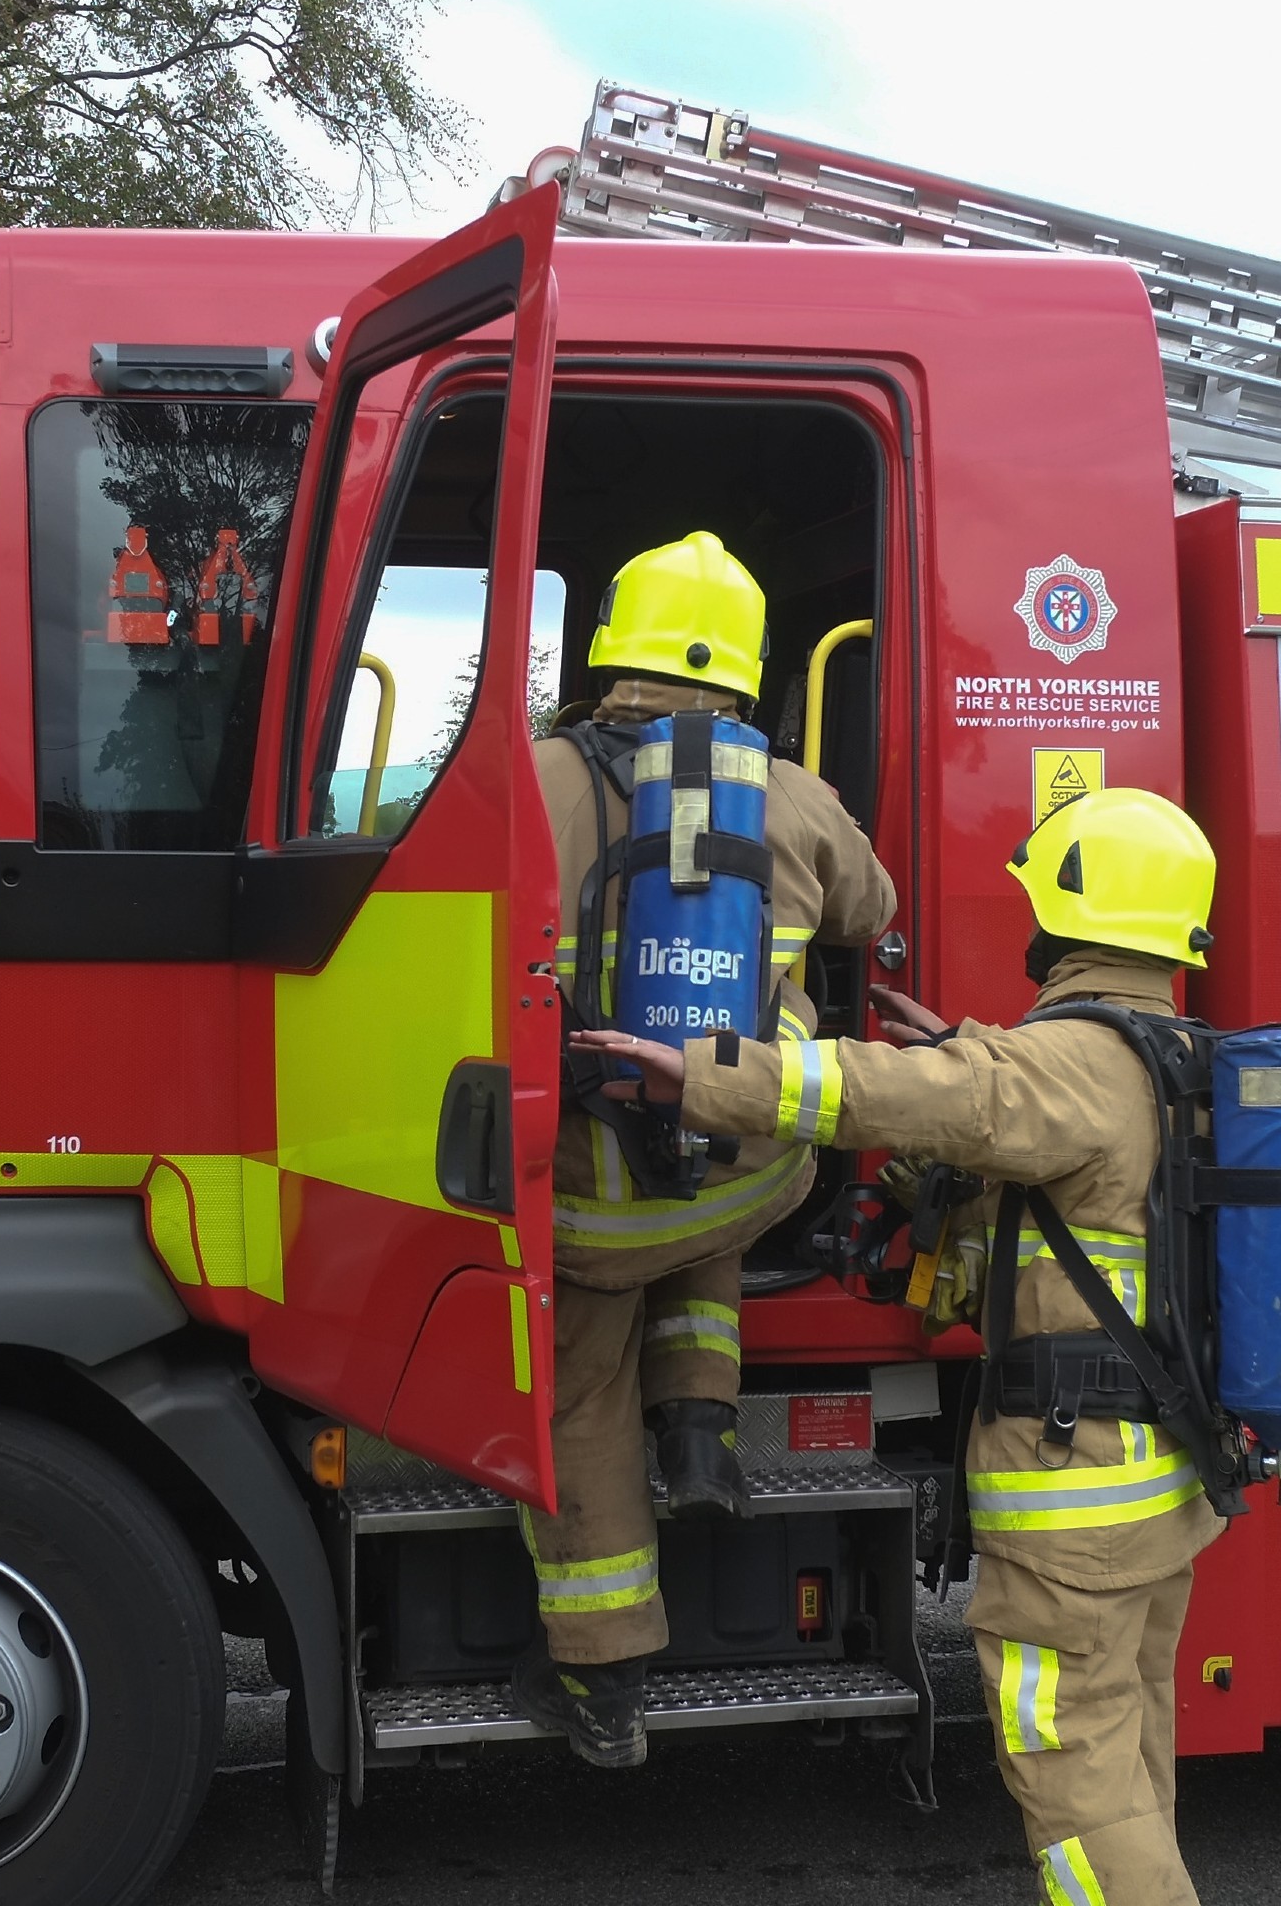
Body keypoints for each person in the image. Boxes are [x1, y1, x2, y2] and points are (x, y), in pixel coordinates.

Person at [572, 787, 1225, 1906]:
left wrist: (714, 1078)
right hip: (1158, 1489)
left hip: (1075, 1496)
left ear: (1068, 920)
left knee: (1073, 1782)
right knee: (1127, 1754)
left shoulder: (1068, 1064)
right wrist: (969, 1054)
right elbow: (1019, 1122)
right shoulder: (1170, 1052)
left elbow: (898, 1094)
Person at [512, 531, 897, 1768]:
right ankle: (701, 1430)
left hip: (578, 1197)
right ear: (743, 670)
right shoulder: (785, 792)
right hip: (743, 1169)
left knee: (579, 1386)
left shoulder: (529, 781)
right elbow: (873, 911)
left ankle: (608, 1673)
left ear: (609, 650)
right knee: (713, 1180)